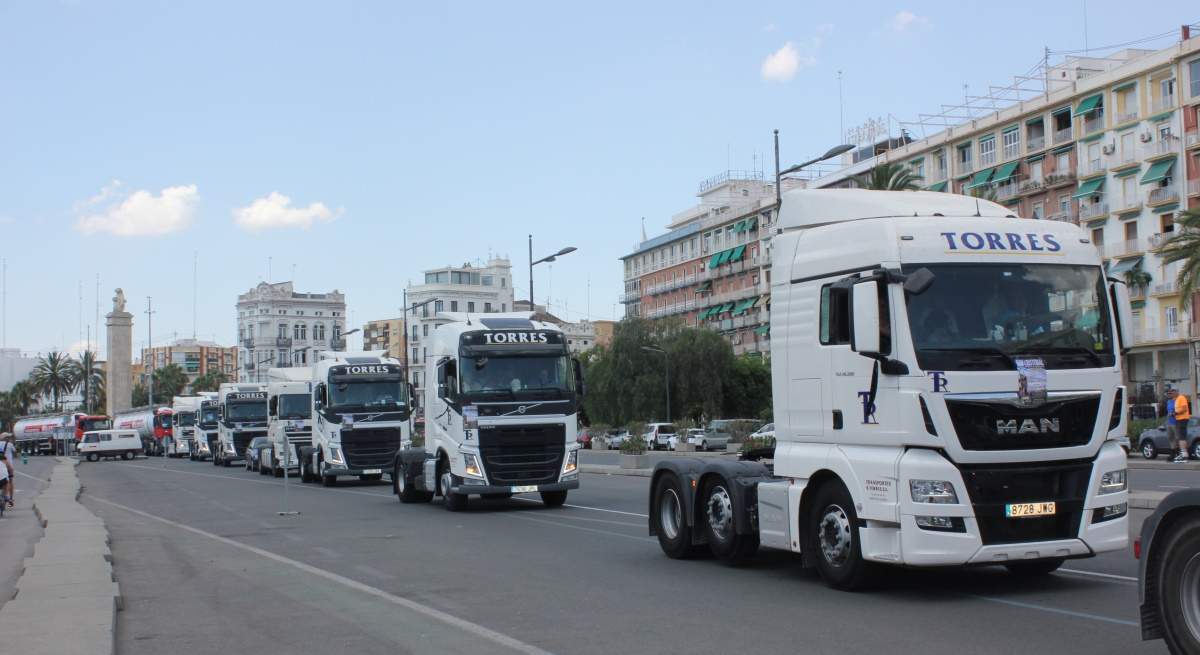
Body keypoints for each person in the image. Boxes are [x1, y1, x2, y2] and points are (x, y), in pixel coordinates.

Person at [1170, 388, 1192, 464]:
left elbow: (1184, 408)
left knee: (1181, 437)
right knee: (1181, 437)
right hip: (1180, 419)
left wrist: (1175, 413)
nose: (1172, 393)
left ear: (1177, 392)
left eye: (1173, 391)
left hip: (1182, 419)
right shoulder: (1177, 399)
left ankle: (1184, 456)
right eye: (1171, 392)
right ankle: (1184, 455)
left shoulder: (1181, 398)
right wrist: (1174, 413)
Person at [1, 432, 15, 510]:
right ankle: (10, 497)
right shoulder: (9, 444)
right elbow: (14, 451)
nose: (9, 439)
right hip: (8, 466)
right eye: (8, 437)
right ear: (5, 438)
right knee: (9, 481)